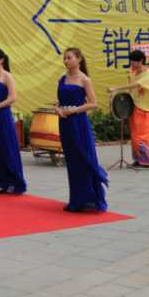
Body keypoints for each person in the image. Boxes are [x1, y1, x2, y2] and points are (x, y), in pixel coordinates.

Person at [57, 48, 107, 211]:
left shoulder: (84, 79)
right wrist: (58, 109)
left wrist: (74, 110)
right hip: (64, 122)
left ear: (79, 59)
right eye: (65, 58)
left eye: (69, 58)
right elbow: (59, 101)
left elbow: (93, 103)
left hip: (78, 122)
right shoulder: (62, 79)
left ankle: (89, 198)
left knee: (83, 158)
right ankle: (76, 199)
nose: (66, 61)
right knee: (71, 161)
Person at [109, 49, 149, 169]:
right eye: (131, 61)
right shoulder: (135, 73)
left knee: (141, 135)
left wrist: (116, 88)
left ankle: (147, 161)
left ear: (141, 61)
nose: (132, 63)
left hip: (144, 108)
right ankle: (138, 159)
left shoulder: (147, 74)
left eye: (134, 61)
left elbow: (137, 85)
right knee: (135, 135)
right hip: (134, 106)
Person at [0, 48, 26, 194]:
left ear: (1, 60)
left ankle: (15, 181)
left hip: (2, 115)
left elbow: (12, 97)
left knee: (8, 147)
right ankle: (1, 182)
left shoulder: (7, 76)